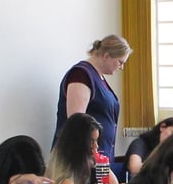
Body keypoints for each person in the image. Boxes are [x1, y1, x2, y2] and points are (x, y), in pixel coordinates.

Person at [53, 34, 131, 163]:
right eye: (120, 62)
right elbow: (77, 123)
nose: (121, 67)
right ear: (106, 56)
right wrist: (89, 157)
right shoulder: (81, 75)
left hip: (98, 158)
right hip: (82, 160)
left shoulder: (97, 77)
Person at [47, 113, 125, 184]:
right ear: (79, 142)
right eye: (91, 141)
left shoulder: (89, 160)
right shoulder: (62, 159)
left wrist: (101, 164)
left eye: (96, 141)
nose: (96, 146)